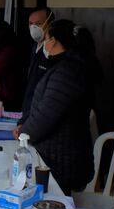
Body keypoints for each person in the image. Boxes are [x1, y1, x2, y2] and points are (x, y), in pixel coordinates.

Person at [18, 19, 96, 194]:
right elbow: (40, 105)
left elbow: (47, 114)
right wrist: (24, 123)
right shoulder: (63, 67)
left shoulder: (68, 72)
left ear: (54, 40)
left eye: (46, 38)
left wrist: (25, 132)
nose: (44, 43)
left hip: (63, 160)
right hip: (57, 153)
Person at [17, 7, 54, 133]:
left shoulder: (51, 54)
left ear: (49, 24)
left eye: (38, 24)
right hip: (28, 113)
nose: (33, 28)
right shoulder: (34, 47)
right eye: (30, 24)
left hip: (38, 119)